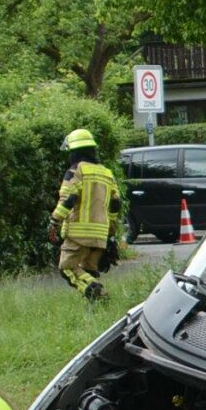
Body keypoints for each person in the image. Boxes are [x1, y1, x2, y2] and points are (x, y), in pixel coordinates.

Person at [50, 128, 120, 299]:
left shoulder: (76, 171)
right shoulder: (106, 172)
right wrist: (111, 227)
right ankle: (95, 308)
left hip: (78, 232)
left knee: (67, 268)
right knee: (88, 270)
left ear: (74, 151)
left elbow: (68, 199)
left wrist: (54, 221)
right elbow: (116, 202)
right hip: (100, 234)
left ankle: (98, 292)